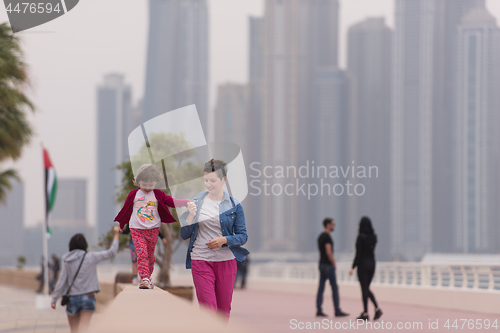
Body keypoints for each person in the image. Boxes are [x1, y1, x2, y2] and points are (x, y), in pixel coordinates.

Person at [180, 159, 249, 321]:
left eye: (213, 181)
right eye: (206, 180)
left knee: (223, 313)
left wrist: (224, 240)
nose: (208, 184)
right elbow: (184, 234)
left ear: (223, 180)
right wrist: (190, 215)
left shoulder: (234, 205)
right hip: (201, 259)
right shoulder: (196, 202)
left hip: (226, 261)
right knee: (208, 311)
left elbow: (243, 236)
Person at [114, 164, 189, 289]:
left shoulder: (158, 194)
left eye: (151, 185)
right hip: (136, 229)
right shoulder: (134, 194)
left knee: (150, 256)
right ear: (138, 182)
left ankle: (147, 277)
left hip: (153, 229)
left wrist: (185, 203)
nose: (148, 188)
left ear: (156, 183)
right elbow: (126, 209)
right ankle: (144, 279)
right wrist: (122, 224)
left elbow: (171, 201)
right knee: (142, 253)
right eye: (144, 184)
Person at [51, 226, 120, 333]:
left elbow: (62, 280)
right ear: (85, 245)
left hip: (72, 298)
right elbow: (111, 253)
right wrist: (116, 234)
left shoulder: (66, 259)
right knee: (83, 329)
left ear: (71, 245)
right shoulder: (91, 256)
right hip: (88, 297)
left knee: (74, 330)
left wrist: (54, 298)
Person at [349, 216, 382, 321]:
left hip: (363, 265)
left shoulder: (360, 237)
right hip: (372, 264)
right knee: (366, 288)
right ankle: (376, 309)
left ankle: (366, 313)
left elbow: (358, 254)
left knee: (364, 289)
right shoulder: (374, 237)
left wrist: (353, 267)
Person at [316, 218, 349, 317]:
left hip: (321, 264)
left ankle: (319, 309)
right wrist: (334, 263)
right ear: (327, 225)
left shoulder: (320, 237)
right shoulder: (327, 237)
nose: (334, 226)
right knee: (334, 287)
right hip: (328, 265)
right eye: (333, 224)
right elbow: (328, 252)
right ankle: (337, 310)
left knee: (321, 288)